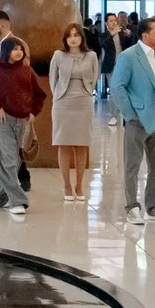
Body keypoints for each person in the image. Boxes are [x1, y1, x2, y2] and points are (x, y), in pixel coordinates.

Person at [0, 35, 45, 217]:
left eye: (21, 49)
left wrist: (33, 112)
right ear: (6, 51)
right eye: (15, 49)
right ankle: (18, 201)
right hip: (2, 121)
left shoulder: (27, 71)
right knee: (9, 161)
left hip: (22, 122)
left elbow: (39, 95)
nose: (19, 52)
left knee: (14, 160)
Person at [112, 16, 155, 225]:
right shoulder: (129, 57)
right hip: (137, 119)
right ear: (145, 35)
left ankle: (153, 206)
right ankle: (132, 207)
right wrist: (130, 114)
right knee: (132, 164)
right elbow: (118, 87)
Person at [48, 22, 99, 202]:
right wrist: (58, 97)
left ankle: (79, 184)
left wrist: (86, 93)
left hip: (83, 103)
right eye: (70, 35)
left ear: (81, 38)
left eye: (76, 35)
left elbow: (95, 78)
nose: (73, 38)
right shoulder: (58, 55)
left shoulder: (91, 56)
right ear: (65, 39)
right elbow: (52, 79)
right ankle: (67, 186)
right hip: (63, 104)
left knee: (81, 144)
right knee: (64, 144)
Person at [96, 10, 126, 118]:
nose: (114, 23)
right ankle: (114, 115)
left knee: (122, 90)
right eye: (111, 21)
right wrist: (112, 33)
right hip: (111, 66)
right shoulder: (104, 35)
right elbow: (103, 45)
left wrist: (128, 35)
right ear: (106, 23)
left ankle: (123, 113)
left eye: (115, 20)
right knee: (113, 91)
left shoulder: (122, 33)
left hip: (123, 66)